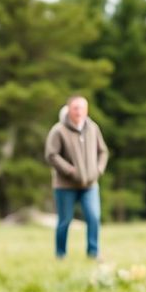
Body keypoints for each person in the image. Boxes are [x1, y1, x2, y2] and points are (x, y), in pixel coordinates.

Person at [45, 95, 108, 261]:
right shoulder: (58, 130)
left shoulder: (93, 128)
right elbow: (51, 155)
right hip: (65, 186)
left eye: (82, 108)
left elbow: (103, 151)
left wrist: (99, 169)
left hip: (90, 184)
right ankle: (60, 255)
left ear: (86, 110)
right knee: (65, 221)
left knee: (93, 217)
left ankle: (93, 253)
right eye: (75, 108)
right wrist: (69, 170)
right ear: (69, 110)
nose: (79, 111)